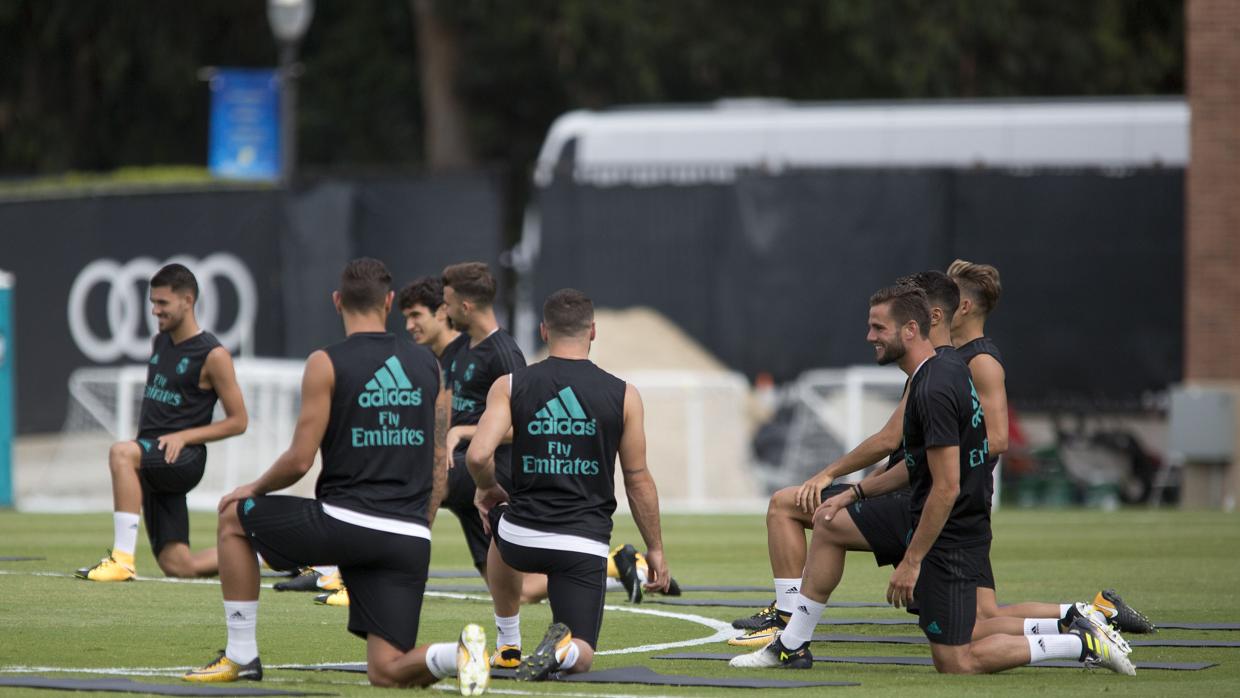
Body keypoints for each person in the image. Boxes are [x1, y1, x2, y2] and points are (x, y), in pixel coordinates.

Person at [730, 284, 1135, 675]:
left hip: (948, 530)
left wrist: (911, 562)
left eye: (878, 327)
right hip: (951, 521)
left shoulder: (936, 385)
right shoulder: (940, 371)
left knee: (958, 658)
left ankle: (1081, 640)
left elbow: (945, 485)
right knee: (831, 522)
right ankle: (791, 644)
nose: (869, 336)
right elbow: (917, 465)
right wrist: (853, 492)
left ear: (913, 327)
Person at [183, 259, 491, 695]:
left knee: (234, 516)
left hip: (345, 525)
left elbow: (299, 460)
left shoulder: (325, 362)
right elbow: (439, 465)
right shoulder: (429, 366)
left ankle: (240, 655)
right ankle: (454, 654)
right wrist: (418, 527)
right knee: (387, 670)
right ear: (388, 302)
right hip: (409, 536)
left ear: (336, 302)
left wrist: (252, 488)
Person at [466, 288, 672, 680]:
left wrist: (487, 489)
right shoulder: (625, 394)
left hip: (520, 538)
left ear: (544, 331)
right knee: (583, 655)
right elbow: (638, 480)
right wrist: (656, 549)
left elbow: (478, 456)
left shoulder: (510, 385)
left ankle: (508, 643)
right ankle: (561, 651)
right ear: (593, 331)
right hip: (582, 544)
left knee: (497, 517)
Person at [76, 263, 248, 582]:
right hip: (154, 456)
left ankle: (122, 559)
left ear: (188, 300)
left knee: (121, 452)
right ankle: (266, 555)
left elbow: (239, 422)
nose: (155, 310)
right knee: (178, 565)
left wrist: (184, 437)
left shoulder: (213, 354)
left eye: (162, 303)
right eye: (153, 302)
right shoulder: (161, 342)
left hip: (183, 458)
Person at [438, 263, 526, 575]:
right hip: (459, 464)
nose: (444, 311)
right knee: (519, 589)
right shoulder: (456, 349)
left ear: (465, 306)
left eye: (447, 304)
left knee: (417, 480)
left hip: (491, 466)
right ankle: (612, 565)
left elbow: (522, 426)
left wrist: (463, 432)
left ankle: (371, 578)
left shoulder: (504, 354)